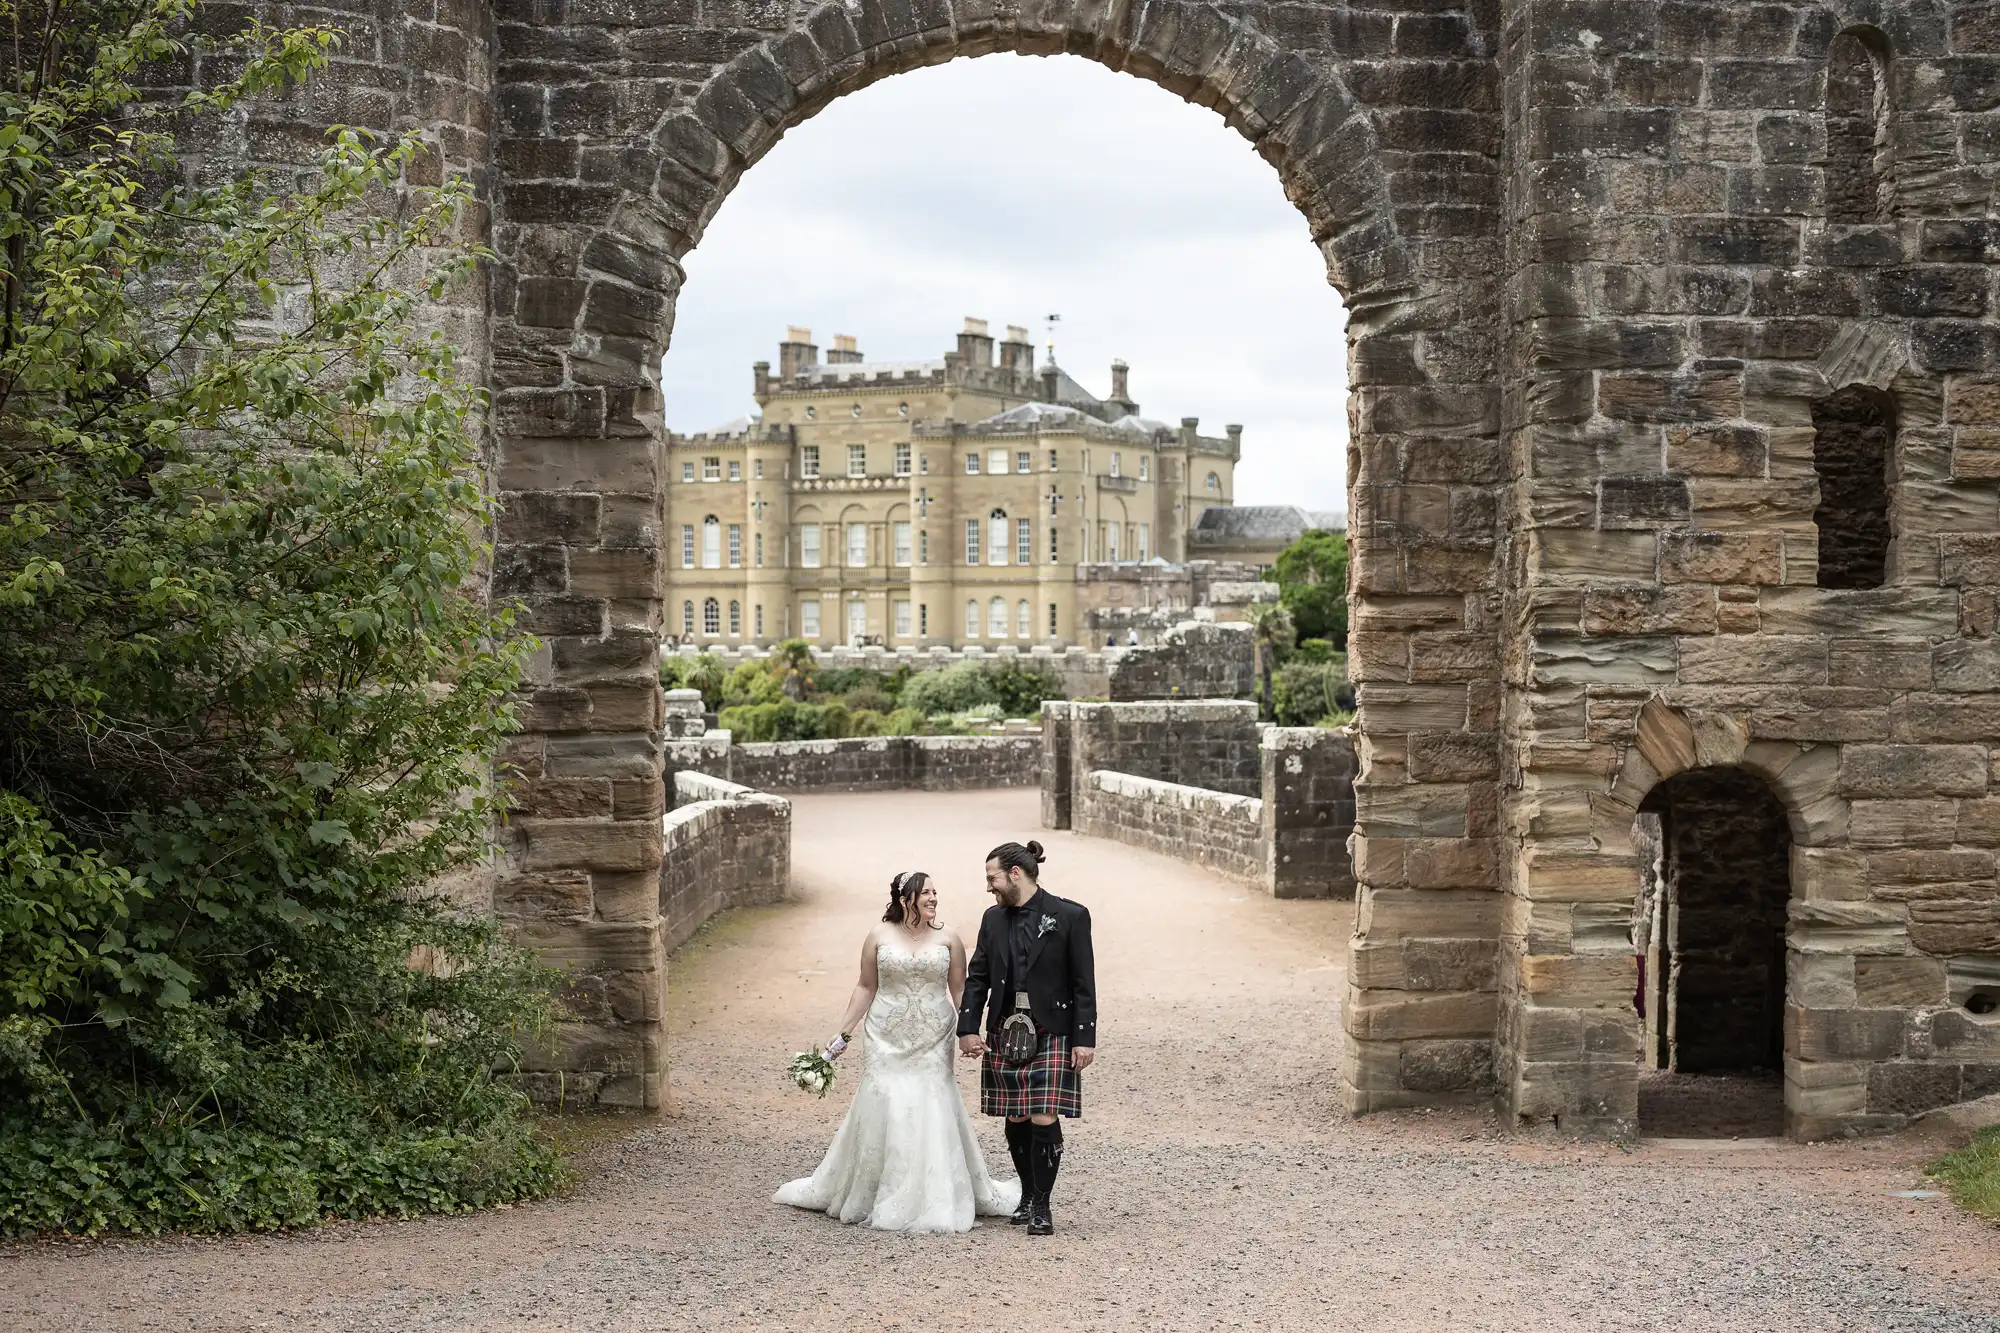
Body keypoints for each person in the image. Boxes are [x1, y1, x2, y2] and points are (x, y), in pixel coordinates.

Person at [773, 871, 1020, 1232]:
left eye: (936, 892)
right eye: (926, 893)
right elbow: (865, 986)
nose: (934, 898)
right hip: (885, 1032)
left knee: (931, 1099)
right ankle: (874, 1188)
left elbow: (959, 990)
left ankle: (932, 1192)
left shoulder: (949, 937)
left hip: (933, 1034)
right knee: (885, 1098)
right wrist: (841, 1034)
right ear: (906, 898)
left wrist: (970, 1031)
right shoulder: (879, 934)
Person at [957, 840, 1096, 1237]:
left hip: (1052, 1029)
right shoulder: (993, 919)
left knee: (1043, 1114)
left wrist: (1084, 1038)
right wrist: (968, 1028)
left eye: (992, 878)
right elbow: (978, 976)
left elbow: (1083, 981)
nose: (989, 887)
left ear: (1015, 873)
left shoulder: (1070, 916)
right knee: (1015, 1114)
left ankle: (1042, 1205)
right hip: (1005, 1027)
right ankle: (1027, 1193)